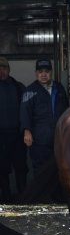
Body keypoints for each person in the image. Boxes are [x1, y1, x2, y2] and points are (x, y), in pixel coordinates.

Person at [20, 58, 68, 177]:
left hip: (58, 137)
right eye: (40, 72)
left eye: (46, 71)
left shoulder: (59, 88)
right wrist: (26, 131)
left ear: (51, 73)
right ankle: (42, 196)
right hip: (39, 138)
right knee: (41, 169)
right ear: (36, 73)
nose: (43, 74)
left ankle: (57, 195)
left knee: (59, 169)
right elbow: (24, 112)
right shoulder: (30, 91)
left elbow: (67, 109)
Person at [0, 57, 28, 203]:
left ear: (9, 69)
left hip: (17, 135)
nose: (1, 71)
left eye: (4, 68)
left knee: (21, 168)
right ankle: (5, 199)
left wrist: (26, 131)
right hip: (1, 138)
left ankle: (22, 200)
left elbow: (27, 112)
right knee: (2, 170)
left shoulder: (19, 87)